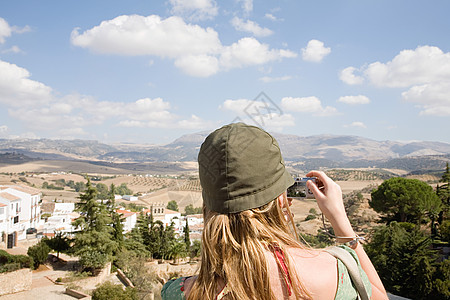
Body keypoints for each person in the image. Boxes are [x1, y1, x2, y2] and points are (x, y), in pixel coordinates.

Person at [162, 123, 388, 300]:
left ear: (208, 203)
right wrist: (340, 219)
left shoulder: (180, 292)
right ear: (282, 198)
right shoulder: (335, 271)